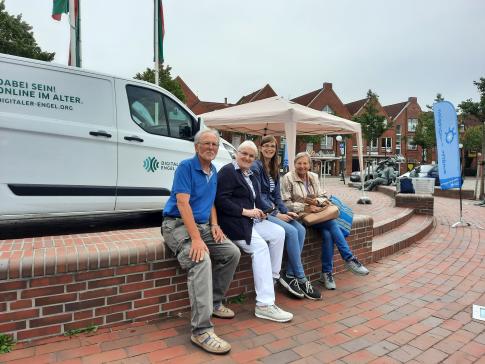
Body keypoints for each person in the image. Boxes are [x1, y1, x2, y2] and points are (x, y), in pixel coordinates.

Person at [161, 129, 241, 355]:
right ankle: (201, 330)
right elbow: (183, 203)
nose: (211, 148)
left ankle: (214, 303)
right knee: (200, 259)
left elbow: (212, 202)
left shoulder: (213, 171)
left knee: (232, 252)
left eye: (214, 144)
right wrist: (195, 238)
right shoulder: (186, 167)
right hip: (176, 225)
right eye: (206, 143)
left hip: (204, 226)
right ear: (196, 147)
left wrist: (215, 225)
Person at [215, 140, 293, 323]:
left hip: (251, 220)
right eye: (244, 154)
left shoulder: (251, 173)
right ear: (237, 153)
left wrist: (268, 210)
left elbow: (257, 199)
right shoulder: (228, 171)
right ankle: (264, 304)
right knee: (260, 248)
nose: (247, 158)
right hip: (234, 223)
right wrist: (246, 211)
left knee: (278, 233)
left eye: (251, 156)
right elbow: (220, 200)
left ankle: (271, 280)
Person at [281, 152, 369, 291]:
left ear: (309, 164)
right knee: (333, 224)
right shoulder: (288, 178)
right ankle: (347, 259)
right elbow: (285, 203)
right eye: (299, 163)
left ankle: (327, 273)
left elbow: (323, 195)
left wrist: (318, 202)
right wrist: (306, 206)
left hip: (319, 215)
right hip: (302, 216)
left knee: (328, 235)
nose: (302, 166)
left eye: (305, 163)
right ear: (294, 164)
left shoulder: (314, 177)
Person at [251, 136, 321, 300]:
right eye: (266, 146)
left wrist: (285, 211)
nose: (269, 149)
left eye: (273, 147)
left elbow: (277, 196)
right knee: (290, 231)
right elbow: (257, 197)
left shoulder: (273, 168)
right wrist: (276, 214)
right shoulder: (256, 167)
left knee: (301, 230)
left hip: (274, 209)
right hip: (263, 211)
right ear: (260, 148)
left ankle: (289, 275)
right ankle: (301, 278)